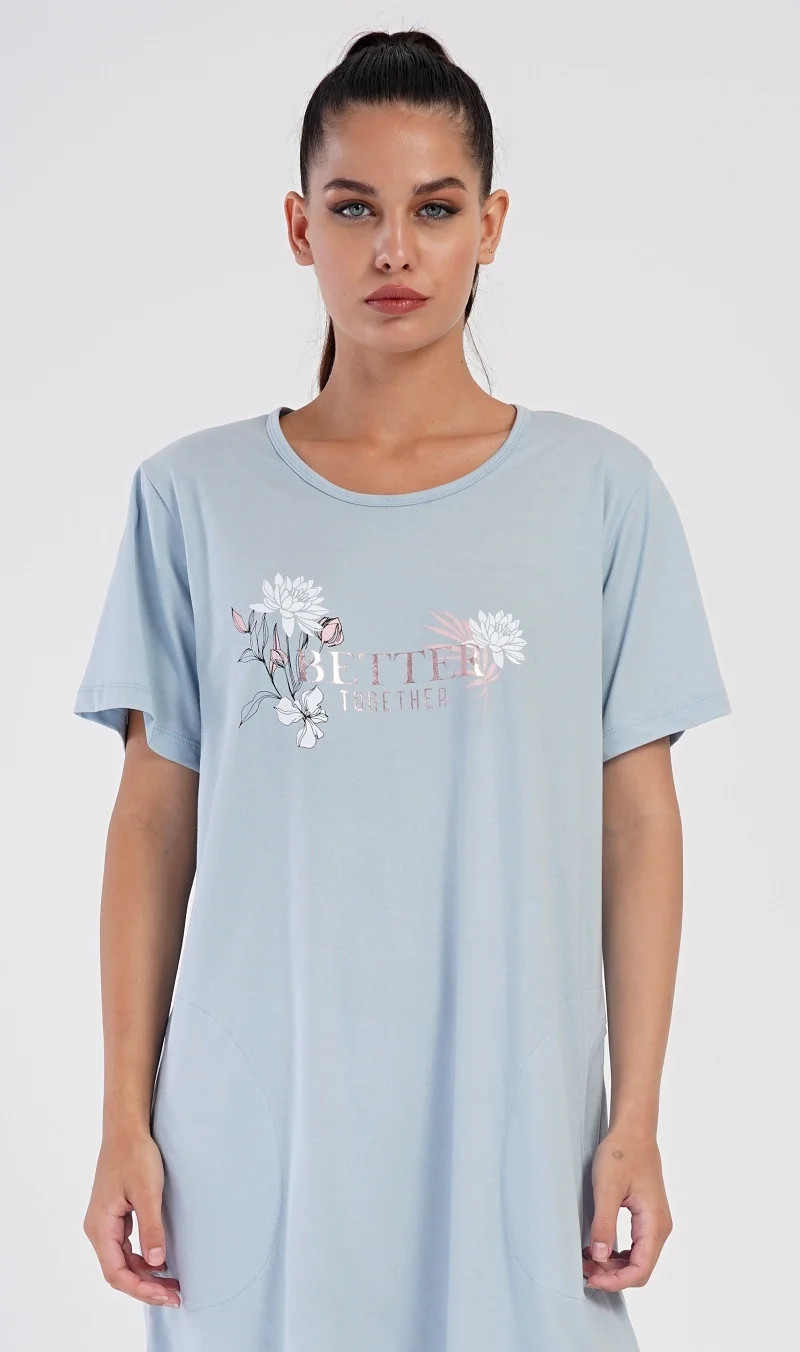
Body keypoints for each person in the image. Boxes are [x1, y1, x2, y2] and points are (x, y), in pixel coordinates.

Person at [73, 27, 733, 1352]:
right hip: (255, 1138)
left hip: (515, 1132)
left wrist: (637, 1119)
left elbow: (638, 820)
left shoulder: (599, 493)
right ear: (297, 227)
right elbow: (153, 818)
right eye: (353, 208)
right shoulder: (193, 498)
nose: (393, 251)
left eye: (434, 210)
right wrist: (122, 1121)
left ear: (491, 226)